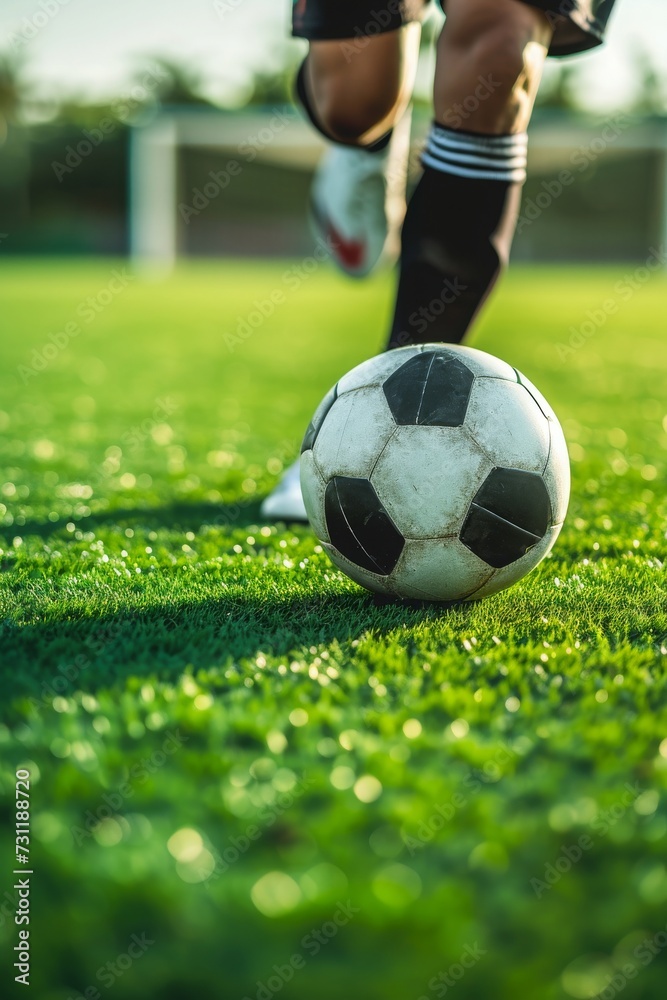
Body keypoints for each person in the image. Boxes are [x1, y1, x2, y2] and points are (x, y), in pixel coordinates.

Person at [261, 0, 617, 520]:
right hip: (353, 112)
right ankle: (369, 145)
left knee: (501, 50)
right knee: (353, 102)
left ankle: (372, 426)